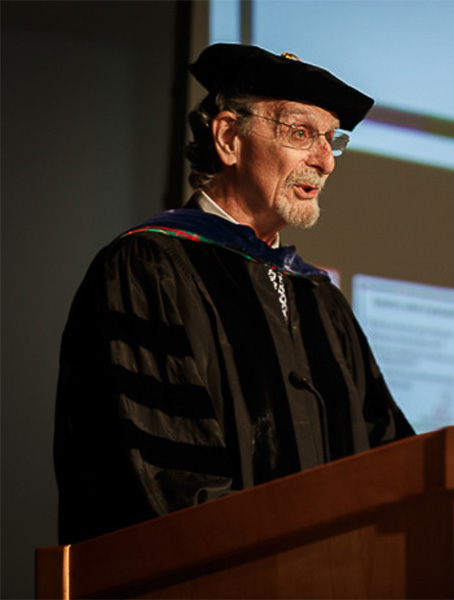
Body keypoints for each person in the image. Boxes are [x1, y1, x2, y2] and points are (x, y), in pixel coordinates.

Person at [54, 44, 414, 545]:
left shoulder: (319, 300)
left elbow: (387, 456)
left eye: (331, 140)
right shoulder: (148, 269)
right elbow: (165, 475)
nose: (325, 161)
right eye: (301, 132)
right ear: (228, 137)